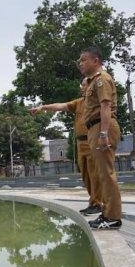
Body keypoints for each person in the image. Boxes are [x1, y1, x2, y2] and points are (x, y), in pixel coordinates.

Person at [29, 82, 102, 216]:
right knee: (85, 175)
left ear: (91, 87)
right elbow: (60, 106)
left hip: (92, 139)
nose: (82, 87)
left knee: (94, 174)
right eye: (81, 85)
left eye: (84, 85)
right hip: (80, 143)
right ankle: (93, 202)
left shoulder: (96, 102)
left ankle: (98, 203)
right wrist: (43, 107)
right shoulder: (78, 102)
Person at [78, 47, 122, 229]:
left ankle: (112, 217)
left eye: (84, 60)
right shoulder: (92, 82)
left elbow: (105, 106)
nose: (80, 63)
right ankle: (107, 213)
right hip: (95, 128)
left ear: (96, 60)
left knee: (106, 174)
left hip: (102, 126)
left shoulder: (102, 79)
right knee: (102, 175)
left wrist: (103, 133)